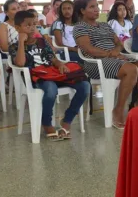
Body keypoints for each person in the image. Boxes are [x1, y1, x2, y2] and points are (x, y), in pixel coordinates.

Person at [73, 0, 138, 129]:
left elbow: (119, 43)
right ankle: (118, 110)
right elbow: (88, 49)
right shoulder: (80, 27)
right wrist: (110, 54)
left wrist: (116, 51)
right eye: (92, 7)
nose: (96, 10)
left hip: (115, 58)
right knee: (131, 70)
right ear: (82, 10)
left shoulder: (104, 25)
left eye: (97, 6)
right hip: (95, 63)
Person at [10, 11, 89, 140]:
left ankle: (67, 120)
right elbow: (20, 63)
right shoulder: (14, 46)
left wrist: (60, 65)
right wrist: (21, 43)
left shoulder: (42, 41)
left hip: (53, 74)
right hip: (37, 78)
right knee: (51, 90)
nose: (31, 28)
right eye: (27, 25)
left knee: (85, 85)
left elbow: (53, 58)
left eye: (34, 25)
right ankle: (47, 123)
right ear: (17, 28)